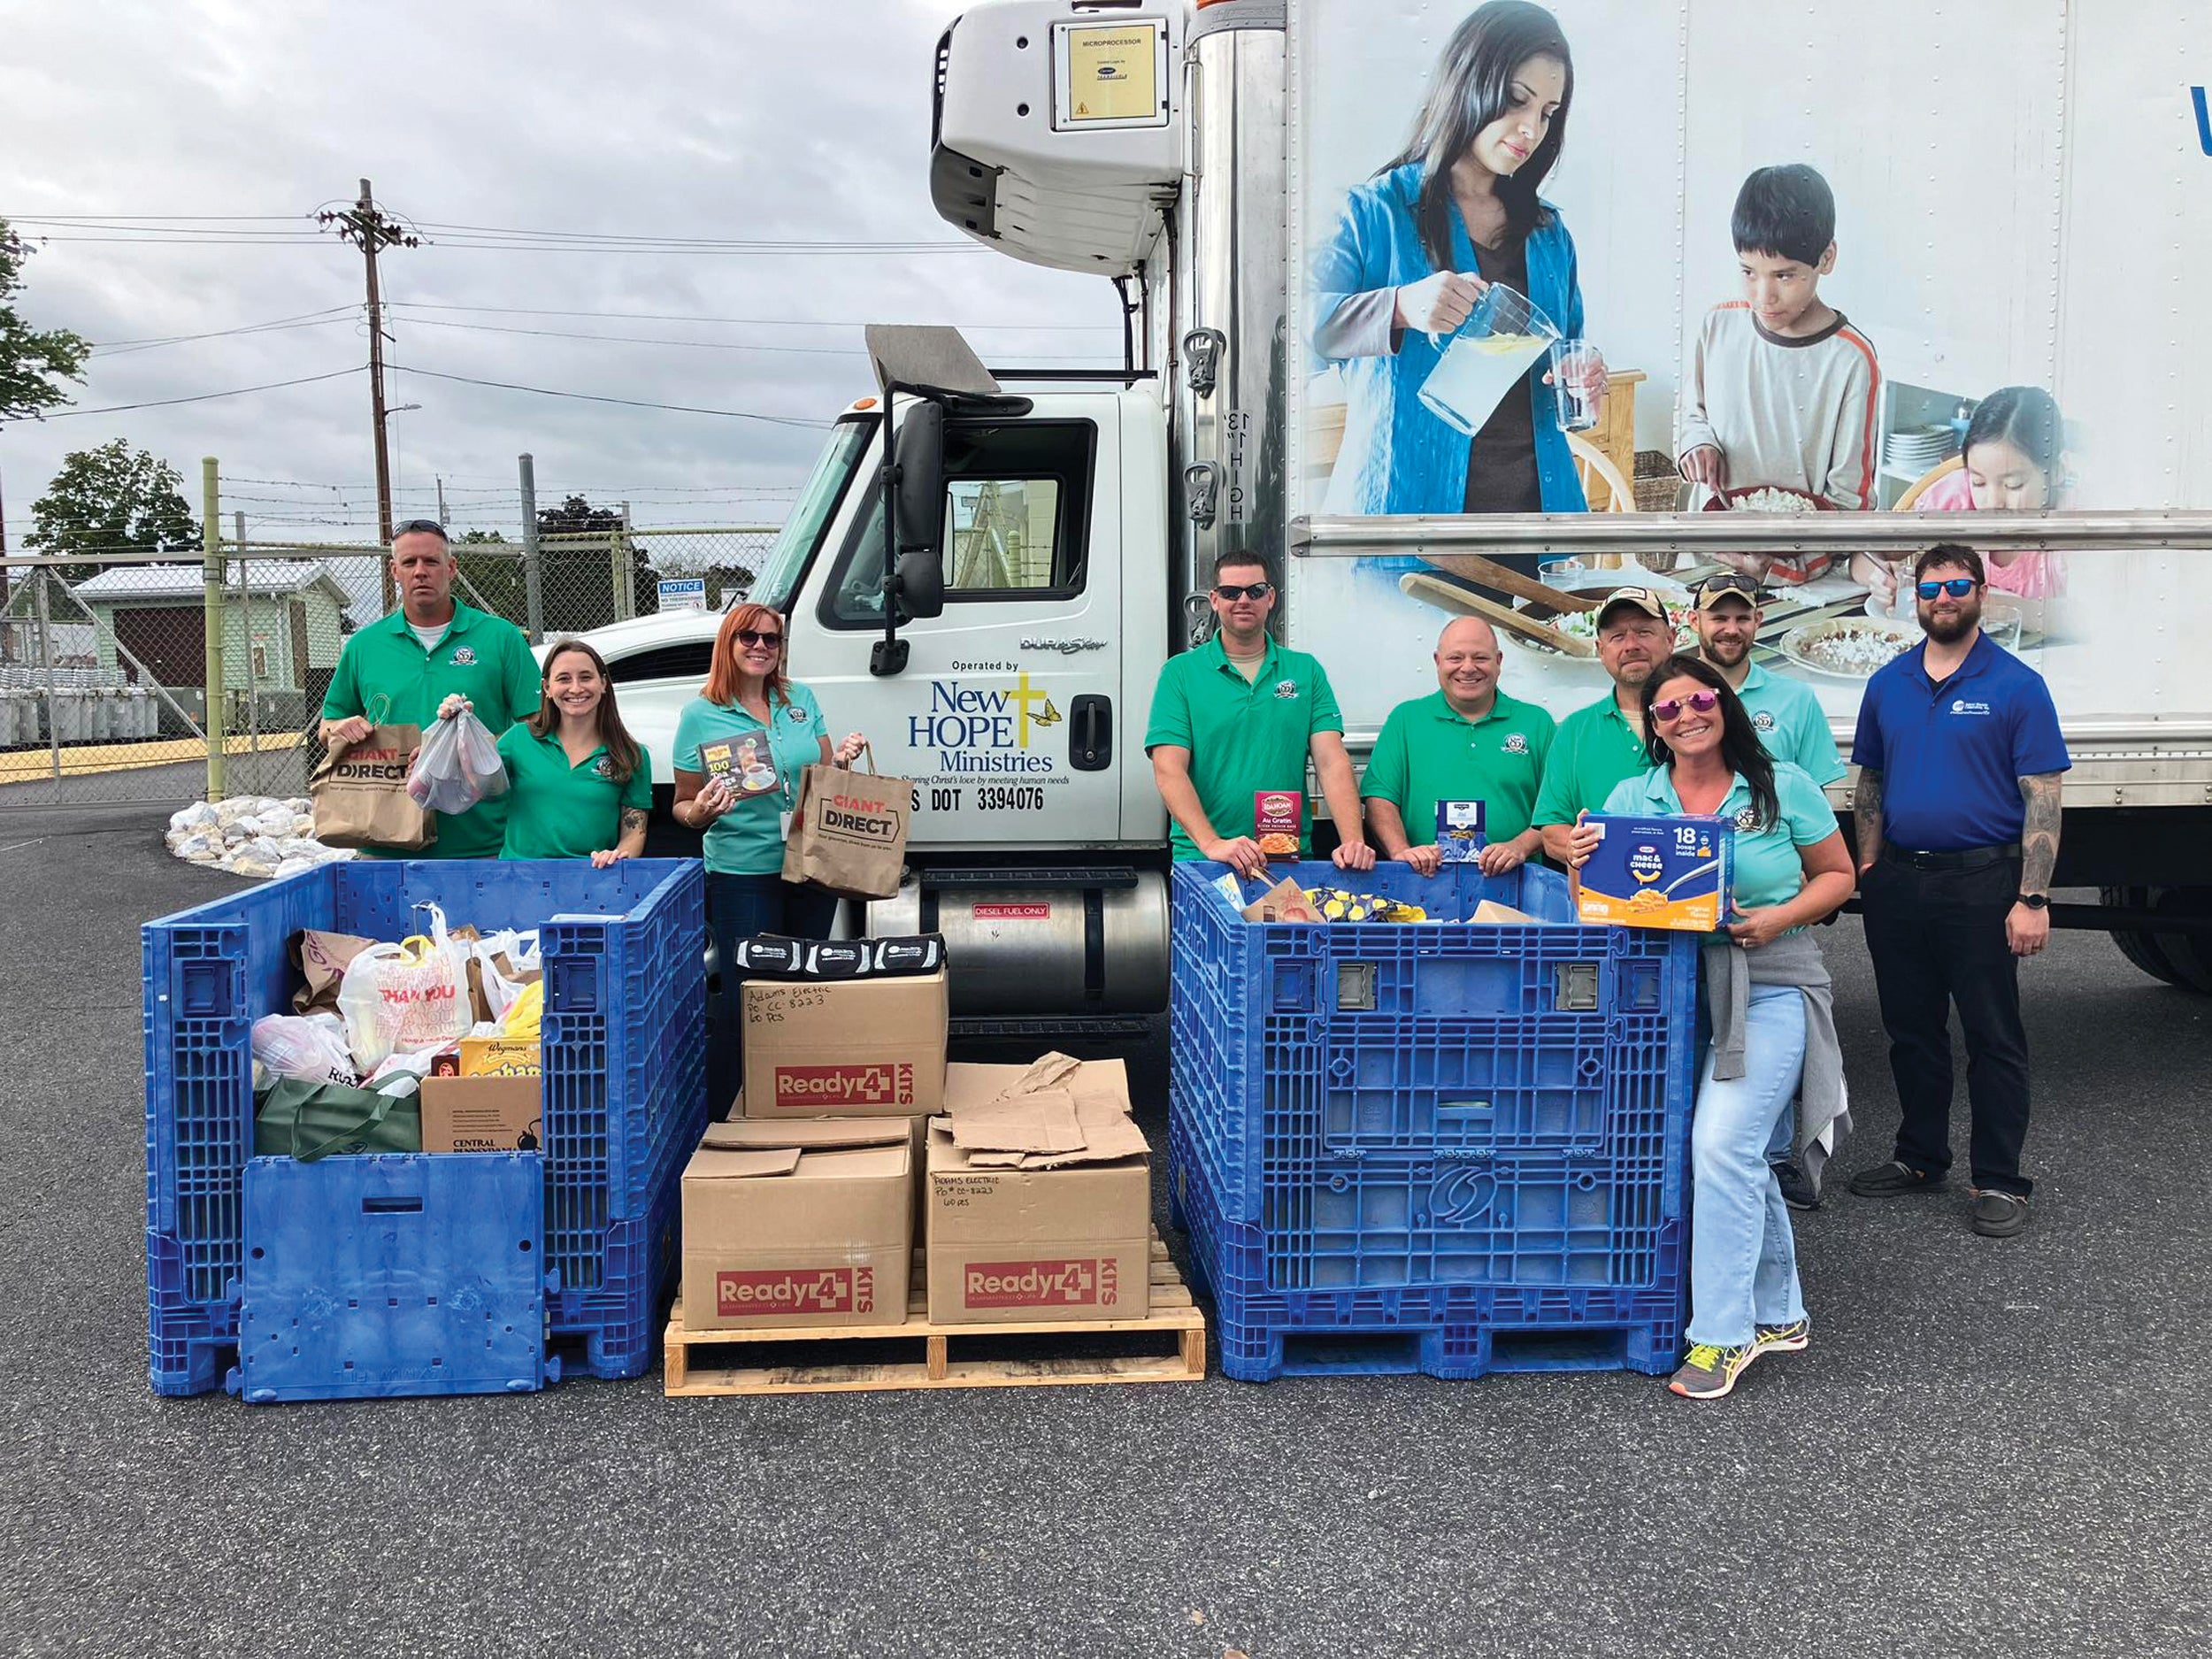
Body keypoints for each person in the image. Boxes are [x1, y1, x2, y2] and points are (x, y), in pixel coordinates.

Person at [1567, 655, 1855, 1400]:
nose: (1686, 714)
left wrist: (1778, 917)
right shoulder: (1636, 794)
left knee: (1720, 1144)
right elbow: (1596, 901)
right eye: (1667, 709)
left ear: (1722, 702)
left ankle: (1720, 1336)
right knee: (1737, 1152)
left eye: (1698, 698)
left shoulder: (1781, 784)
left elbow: (1837, 875)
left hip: (1772, 986)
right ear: (1653, 726)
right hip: (1672, 995)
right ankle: (1778, 1311)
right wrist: (1578, 862)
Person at [1846, 545, 2070, 1238]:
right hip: (1899, 885)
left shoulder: (2016, 684)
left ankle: (2000, 1178)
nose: (1943, 597)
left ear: (1979, 591)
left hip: (1983, 882)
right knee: (1911, 1031)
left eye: (1956, 585)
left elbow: (2045, 797)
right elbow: (1871, 785)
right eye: (1931, 586)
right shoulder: (1888, 683)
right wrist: (1869, 871)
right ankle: (1920, 1156)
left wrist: (2031, 897)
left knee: (1992, 1034)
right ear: (1915, 596)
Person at [1312, 0, 1604, 527]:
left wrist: (1583, 373)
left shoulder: (1549, 234)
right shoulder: (1373, 212)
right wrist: (1399, 307)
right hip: (1405, 522)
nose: (1531, 129)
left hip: (1532, 530)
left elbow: (1569, 351)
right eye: (1517, 100)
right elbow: (1290, 335)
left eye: (1547, 113)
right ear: (1468, 82)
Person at [1689, 570, 1846, 1209]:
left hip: (1771, 920)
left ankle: (1775, 1160)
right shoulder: (1676, 698)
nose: (1730, 627)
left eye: (1741, 615)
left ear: (1758, 622)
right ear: (1694, 621)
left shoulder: (1794, 700)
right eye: (1717, 615)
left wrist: (1795, 904)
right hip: (1694, 926)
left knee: (1760, 1058)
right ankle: (1746, 1166)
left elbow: (1811, 805)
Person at [672, 603, 865, 1104]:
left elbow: (822, 769)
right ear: (728, 645)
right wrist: (702, 813)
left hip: (810, 861)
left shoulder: (800, 699)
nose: (761, 647)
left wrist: (841, 759)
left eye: (771, 640)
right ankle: (726, 1114)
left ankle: (796, 1100)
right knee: (748, 996)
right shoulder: (699, 715)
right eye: (748, 638)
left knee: (804, 986)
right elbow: (682, 806)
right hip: (743, 869)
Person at [1674, 164, 1881, 583]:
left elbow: (1848, 505)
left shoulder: (1851, 360)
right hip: (1706, 564)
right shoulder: (1718, 325)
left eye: (1785, 275)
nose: (1763, 296)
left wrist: (1775, 569)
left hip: (1801, 581)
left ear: (1826, 259)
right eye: (1748, 272)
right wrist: (1697, 444)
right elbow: (1692, 414)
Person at [319, 518, 539, 858]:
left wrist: (465, 750)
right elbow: (328, 726)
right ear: (394, 570)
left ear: (450, 568)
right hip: (385, 842)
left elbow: (536, 727)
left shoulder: (501, 638)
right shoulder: (364, 646)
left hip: (481, 843)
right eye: (409, 562)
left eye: (431, 561)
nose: (420, 571)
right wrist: (339, 728)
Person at [1145, 554, 1374, 879]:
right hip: (1205, 862)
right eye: (1230, 592)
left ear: (1270, 597)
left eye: (1255, 591)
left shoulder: (1305, 671)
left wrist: (1353, 841)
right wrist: (1213, 843)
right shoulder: (1180, 673)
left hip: (1285, 857)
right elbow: (1168, 769)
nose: (1242, 600)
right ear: (1214, 600)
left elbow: (1331, 762)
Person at [1361, 616, 1555, 876]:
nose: (1467, 668)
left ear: (1498, 661)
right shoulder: (1405, 720)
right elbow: (1380, 799)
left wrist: (1518, 847)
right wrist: (1400, 851)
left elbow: (1558, 812)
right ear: (1437, 661)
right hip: (1422, 883)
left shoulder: (1537, 723)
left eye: (1480, 658)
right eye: (1455, 658)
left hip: (1514, 886)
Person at [1856, 386, 2071, 603]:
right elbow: (1862, 555)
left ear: (2056, 472)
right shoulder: (1955, 499)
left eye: (2013, 485)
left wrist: (1986, 605)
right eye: (1979, 482)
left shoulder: (2078, 524)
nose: (1992, 502)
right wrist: (1881, 577)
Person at [1531, 588, 1672, 863]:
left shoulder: (1696, 720)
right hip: (1602, 898)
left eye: (1644, 632)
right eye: (1617, 637)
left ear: (1670, 640)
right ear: (1600, 650)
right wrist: (1578, 847)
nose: (1631, 645)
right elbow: (1551, 831)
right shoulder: (1574, 731)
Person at [495, 640, 651, 867]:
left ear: (603, 684)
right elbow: (476, 784)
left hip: (592, 881)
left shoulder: (631, 754)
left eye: (586, 677)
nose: (576, 688)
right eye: (564, 679)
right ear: (547, 688)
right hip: (521, 881)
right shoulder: (518, 740)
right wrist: (458, 725)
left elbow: (635, 832)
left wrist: (617, 856)